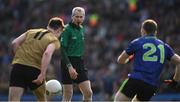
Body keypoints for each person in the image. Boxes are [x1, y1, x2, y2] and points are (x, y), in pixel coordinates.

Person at [114, 19, 180, 101]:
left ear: (143, 30)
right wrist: (175, 81)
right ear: (155, 32)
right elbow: (179, 62)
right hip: (151, 86)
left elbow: (120, 60)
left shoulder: (137, 42)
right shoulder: (164, 46)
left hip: (136, 80)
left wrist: (129, 59)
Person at [8, 17, 65, 101]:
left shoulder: (31, 31)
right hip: (34, 70)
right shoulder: (53, 40)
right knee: (42, 99)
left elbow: (14, 43)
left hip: (18, 67)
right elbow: (47, 53)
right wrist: (42, 74)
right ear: (58, 30)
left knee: (13, 99)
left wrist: (21, 58)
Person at [60, 7, 93, 101]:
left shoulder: (81, 28)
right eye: (77, 16)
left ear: (84, 17)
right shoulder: (66, 29)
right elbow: (62, 49)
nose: (79, 19)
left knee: (88, 92)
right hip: (68, 61)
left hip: (79, 62)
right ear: (72, 16)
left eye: (81, 17)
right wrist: (69, 66)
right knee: (68, 94)